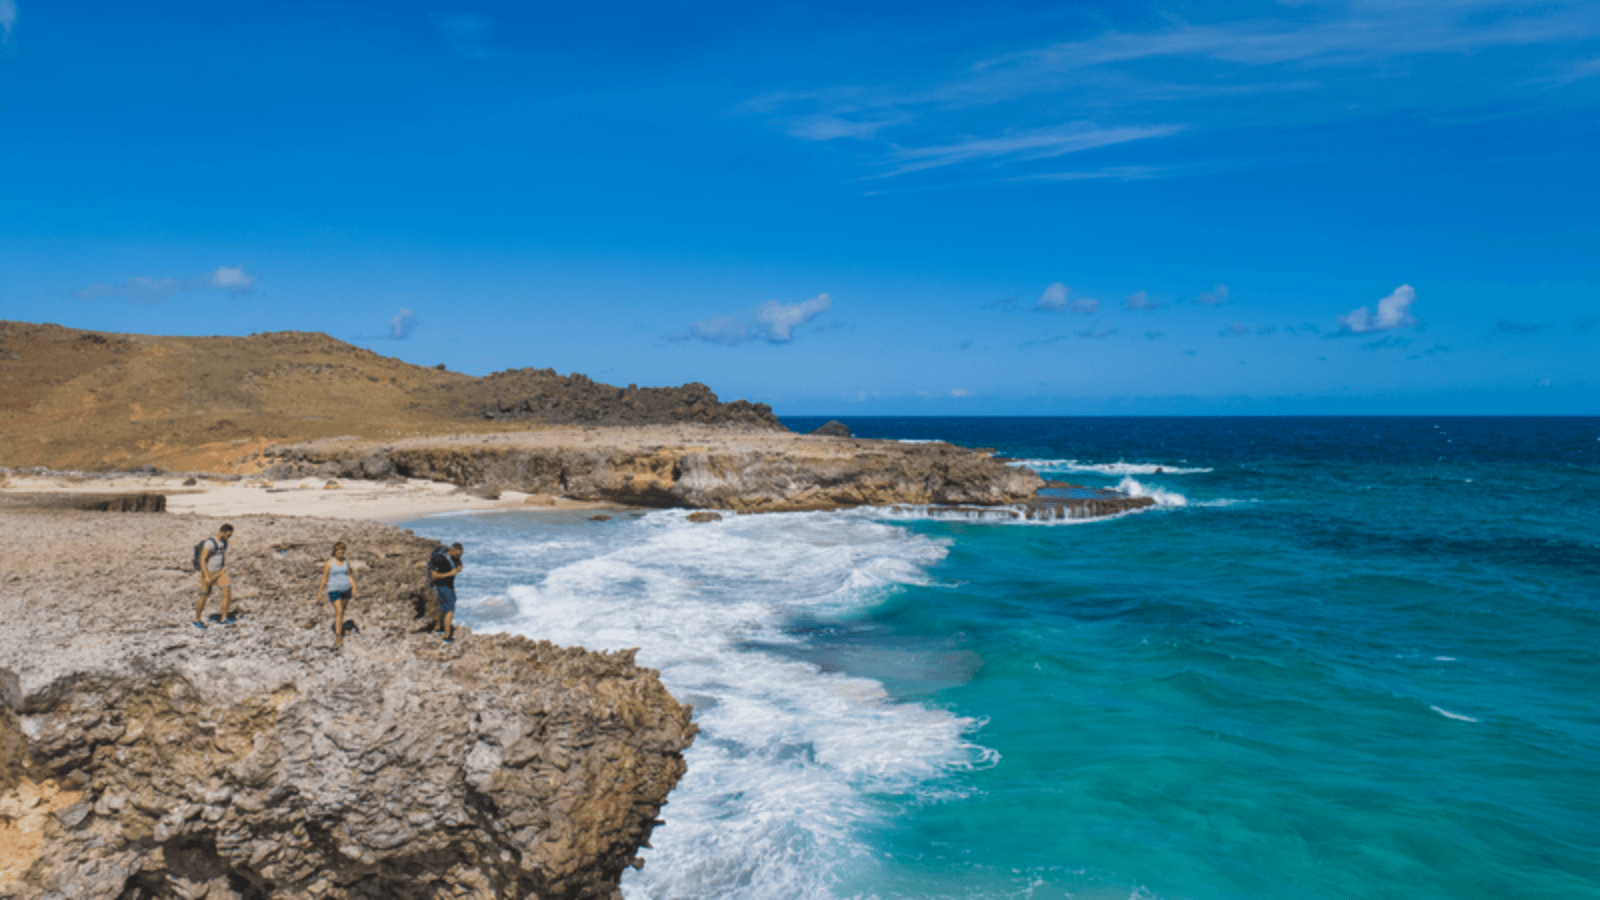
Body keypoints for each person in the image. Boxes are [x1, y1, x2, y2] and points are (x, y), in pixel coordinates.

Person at [316, 541, 357, 647]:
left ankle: (341, 628)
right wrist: (320, 592)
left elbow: (349, 575)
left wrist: (353, 586)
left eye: (343, 549)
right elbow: (324, 578)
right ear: (335, 551)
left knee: (342, 611)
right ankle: (338, 636)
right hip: (334, 590)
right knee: (338, 611)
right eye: (339, 549)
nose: (341, 552)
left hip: (346, 589)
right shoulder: (329, 563)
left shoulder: (346, 562)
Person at [194, 523, 235, 629]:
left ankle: (224, 618)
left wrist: (223, 569)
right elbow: (202, 559)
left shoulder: (225, 542)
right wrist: (206, 575)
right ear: (222, 532)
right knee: (204, 596)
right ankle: (197, 619)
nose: (229, 537)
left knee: (227, 591)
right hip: (208, 573)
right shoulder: (210, 543)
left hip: (220, 573)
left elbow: (222, 555)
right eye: (228, 535)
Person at [429, 542, 464, 643]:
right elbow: (433, 576)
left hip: (449, 586)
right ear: (452, 550)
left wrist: (460, 566)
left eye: (461, 555)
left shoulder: (455, 556)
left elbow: (459, 561)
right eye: (458, 554)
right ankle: (447, 636)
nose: (459, 556)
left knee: (444, 608)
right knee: (450, 610)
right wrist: (450, 574)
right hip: (442, 586)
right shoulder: (439, 558)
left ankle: (439, 627)